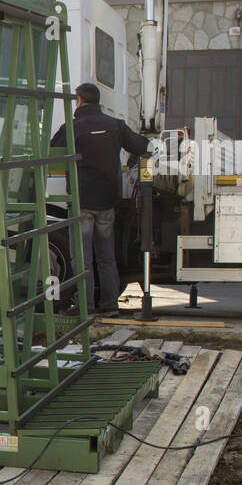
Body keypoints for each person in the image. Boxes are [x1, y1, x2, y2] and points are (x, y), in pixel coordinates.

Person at [50, 82, 150, 315]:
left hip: (82, 201)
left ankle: (85, 306)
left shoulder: (73, 127)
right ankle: (109, 306)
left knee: (81, 259)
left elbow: (52, 151)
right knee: (106, 257)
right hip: (108, 201)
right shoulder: (115, 125)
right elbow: (141, 145)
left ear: (80, 101)